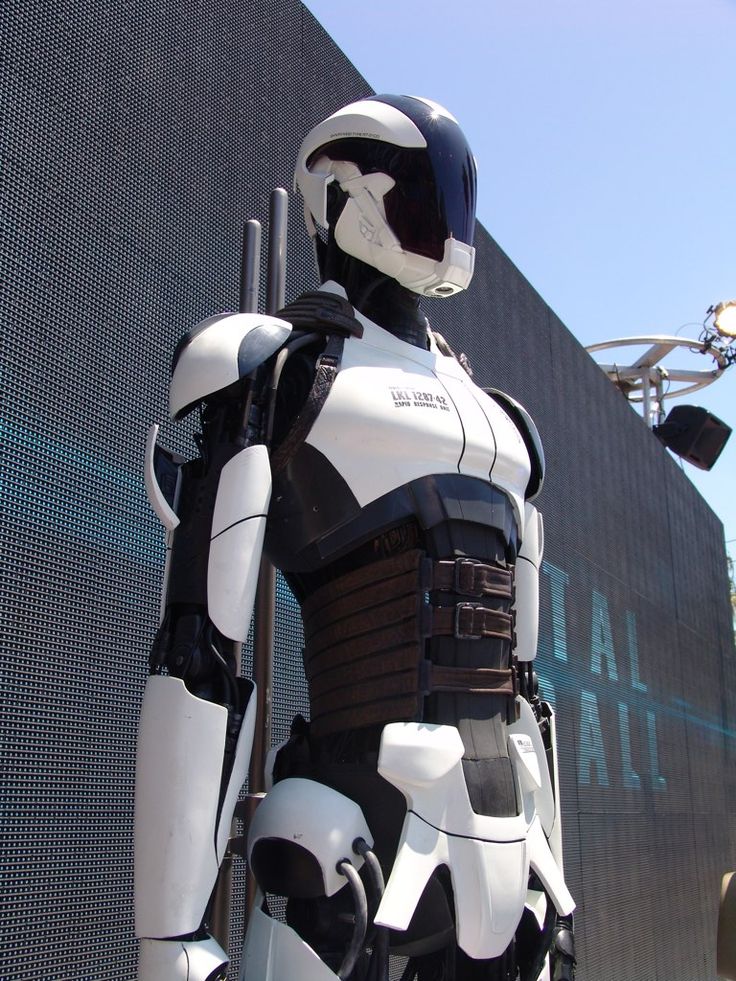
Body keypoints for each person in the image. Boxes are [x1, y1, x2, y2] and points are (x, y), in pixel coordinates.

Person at [136, 94, 575, 981]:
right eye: (417, 194)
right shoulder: (278, 365)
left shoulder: (504, 424)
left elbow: (525, 692)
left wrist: (553, 866)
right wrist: (172, 934)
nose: (443, 225)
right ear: (340, 199)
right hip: (358, 831)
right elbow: (201, 652)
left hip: (507, 841)